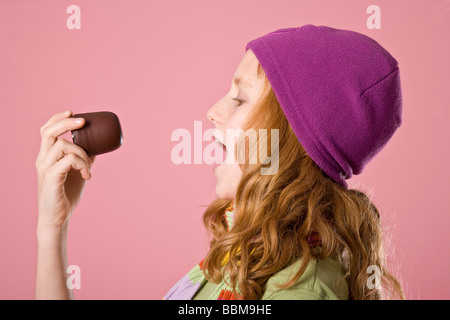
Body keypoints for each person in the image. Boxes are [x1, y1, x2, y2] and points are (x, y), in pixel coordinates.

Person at [35, 24, 405, 300]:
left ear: (293, 138)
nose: (212, 112)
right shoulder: (243, 262)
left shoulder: (299, 291)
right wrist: (52, 228)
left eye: (240, 99)